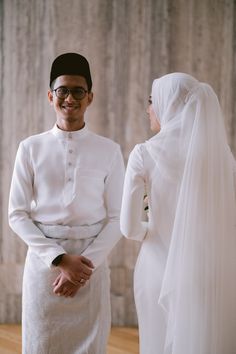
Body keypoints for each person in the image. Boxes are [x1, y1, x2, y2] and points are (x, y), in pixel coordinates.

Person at [9, 52, 125, 354]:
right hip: (44, 264)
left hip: (92, 264)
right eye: (62, 90)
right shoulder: (30, 148)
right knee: (41, 344)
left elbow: (118, 217)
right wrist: (61, 260)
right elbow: (17, 214)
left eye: (78, 91)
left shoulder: (109, 151)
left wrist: (84, 268)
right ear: (51, 95)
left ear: (90, 97)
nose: (69, 98)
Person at [120, 73, 236, 354]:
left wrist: (150, 228)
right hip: (208, 270)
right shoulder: (223, 159)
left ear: (167, 104)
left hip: (158, 268)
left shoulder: (143, 154)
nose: (149, 109)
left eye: (152, 101)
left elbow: (128, 228)